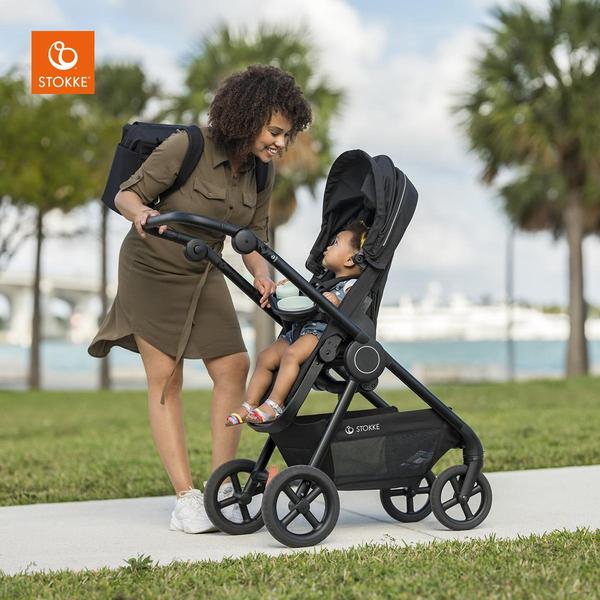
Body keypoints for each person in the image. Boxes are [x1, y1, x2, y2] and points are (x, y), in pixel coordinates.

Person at [88, 65, 312, 533]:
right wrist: (142, 213)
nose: (280, 143)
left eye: (286, 136)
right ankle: (186, 499)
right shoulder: (186, 146)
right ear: (248, 118)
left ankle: (221, 486)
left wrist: (261, 275)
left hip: (203, 267)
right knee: (166, 378)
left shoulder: (261, 171)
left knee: (233, 365)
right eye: (274, 132)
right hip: (151, 268)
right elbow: (126, 195)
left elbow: (253, 234)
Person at [225, 219, 368, 426]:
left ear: (349, 260)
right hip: (297, 331)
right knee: (266, 357)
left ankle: (275, 403)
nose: (327, 247)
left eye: (335, 243)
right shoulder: (323, 281)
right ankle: (250, 404)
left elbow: (354, 306)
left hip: (321, 334)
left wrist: (337, 302)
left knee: (291, 355)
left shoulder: (350, 285)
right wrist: (291, 291)